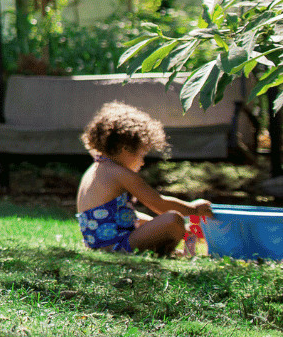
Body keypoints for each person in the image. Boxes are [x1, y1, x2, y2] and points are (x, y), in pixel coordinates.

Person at [75, 101, 213, 257]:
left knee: (143, 218)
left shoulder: (95, 169)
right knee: (174, 219)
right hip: (116, 247)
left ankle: (173, 247)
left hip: (101, 244)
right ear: (125, 149)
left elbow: (118, 216)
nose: (143, 161)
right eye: (142, 154)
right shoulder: (121, 173)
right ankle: (164, 252)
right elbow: (158, 203)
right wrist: (193, 209)